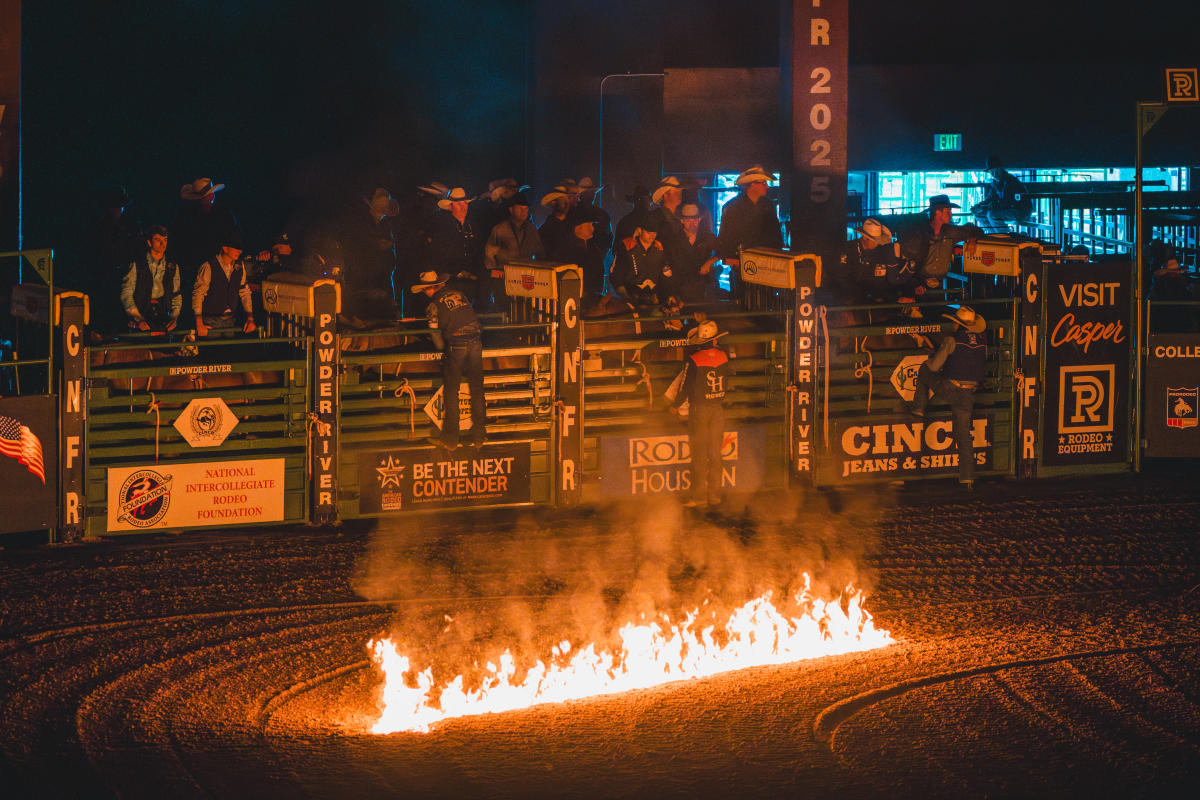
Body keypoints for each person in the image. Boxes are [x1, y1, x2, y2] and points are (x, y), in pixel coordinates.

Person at [901, 306, 987, 489]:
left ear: (957, 324)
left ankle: (918, 409)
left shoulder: (951, 340)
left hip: (951, 388)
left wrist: (932, 358)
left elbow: (933, 367)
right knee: (963, 435)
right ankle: (967, 479)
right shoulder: (981, 341)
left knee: (924, 370)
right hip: (968, 394)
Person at [412, 270, 486, 450]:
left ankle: (451, 439)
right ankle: (479, 436)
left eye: (424, 290)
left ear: (431, 288)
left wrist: (440, 349)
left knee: (451, 392)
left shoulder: (433, 306)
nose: (424, 293)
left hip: (457, 347)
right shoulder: (460, 295)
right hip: (476, 342)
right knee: (477, 389)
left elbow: (436, 336)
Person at [666, 319, 733, 508]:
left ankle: (699, 497)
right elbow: (727, 380)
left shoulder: (694, 360)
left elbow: (685, 385)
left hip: (700, 410)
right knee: (715, 454)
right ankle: (715, 496)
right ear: (714, 340)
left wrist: (675, 405)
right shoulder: (723, 356)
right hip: (717, 409)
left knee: (699, 454)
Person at [716, 166, 783, 299]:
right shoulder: (732, 208)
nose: (767, 187)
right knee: (744, 299)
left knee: (766, 298)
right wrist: (733, 260)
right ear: (752, 185)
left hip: (766, 265)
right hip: (743, 265)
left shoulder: (768, 205)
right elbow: (726, 238)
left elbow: (775, 233)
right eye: (763, 183)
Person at [899, 195, 984, 290]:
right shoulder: (920, 233)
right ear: (938, 212)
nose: (951, 214)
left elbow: (976, 230)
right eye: (948, 211)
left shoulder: (950, 232)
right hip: (918, 283)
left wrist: (972, 239)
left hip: (940, 283)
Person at [341, 187, 400, 320]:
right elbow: (355, 244)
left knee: (381, 303)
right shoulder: (361, 223)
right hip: (364, 271)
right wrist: (377, 244)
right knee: (366, 303)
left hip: (382, 271)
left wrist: (388, 246)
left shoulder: (385, 224)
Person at [172, 177, 238, 294]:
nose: (211, 196)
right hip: (194, 266)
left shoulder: (223, 213)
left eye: (211, 194)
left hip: (218, 264)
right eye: (208, 195)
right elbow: (182, 240)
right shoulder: (188, 215)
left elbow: (232, 237)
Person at [839, 218, 921, 307]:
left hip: (872, 298)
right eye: (874, 240)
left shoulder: (880, 252)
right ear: (865, 237)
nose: (877, 243)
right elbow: (843, 278)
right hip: (851, 299)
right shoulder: (847, 250)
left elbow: (879, 281)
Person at [483, 190, 545, 307]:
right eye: (520, 208)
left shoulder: (531, 230)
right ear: (511, 209)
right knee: (504, 308)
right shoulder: (499, 229)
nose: (524, 212)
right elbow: (488, 256)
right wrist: (496, 276)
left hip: (526, 282)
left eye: (526, 209)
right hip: (504, 282)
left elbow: (540, 253)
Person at [191, 228, 256, 337]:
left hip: (230, 320)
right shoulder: (208, 266)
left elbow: (245, 292)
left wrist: (250, 318)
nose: (239, 251)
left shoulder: (240, 266)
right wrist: (199, 323)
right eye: (236, 248)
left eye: (240, 248)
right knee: (212, 351)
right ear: (225, 248)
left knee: (228, 351)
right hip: (210, 320)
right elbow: (198, 294)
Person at [121, 225, 181, 332]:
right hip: (140, 317)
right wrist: (138, 318)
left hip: (162, 318)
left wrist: (173, 317)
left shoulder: (172, 266)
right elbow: (126, 293)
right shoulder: (137, 264)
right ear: (149, 242)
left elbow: (176, 294)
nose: (162, 244)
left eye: (165, 240)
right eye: (158, 239)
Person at [428, 187, 483, 302]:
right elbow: (439, 255)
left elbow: (477, 251)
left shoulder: (472, 226)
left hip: (471, 281)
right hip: (451, 281)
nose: (463, 207)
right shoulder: (443, 227)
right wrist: (458, 271)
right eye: (459, 204)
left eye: (465, 203)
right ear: (451, 206)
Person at [611, 214, 674, 305]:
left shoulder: (659, 248)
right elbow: (615, 274)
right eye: (648, 232)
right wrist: (625, 296)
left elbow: (666, 275)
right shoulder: (628, 246)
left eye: (654, 232)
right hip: (630, 299)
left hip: (653, 299)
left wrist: (668, 295)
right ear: (640, 231)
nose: (652, 235)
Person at [552, 208, 606, 295]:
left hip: (593, 296)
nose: (592, 228)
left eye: (592, 225)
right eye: (588, 225)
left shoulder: (592, 247)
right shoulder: (566, 250)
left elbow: (599, 271)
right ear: (578, 228)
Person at [971, 156, 1032, 231]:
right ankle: (994, 235)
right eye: (992, 171)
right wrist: (979, 206)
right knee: (978, 213)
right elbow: (990, 199)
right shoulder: (995, 183)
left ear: (1002, 169)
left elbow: (1007, 202)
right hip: (1009, 209)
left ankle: (1005, 238)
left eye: (996, 170)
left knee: (992, 215)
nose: (994, 173)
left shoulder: (1010, 182)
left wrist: (986, 207)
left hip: (1019, 211)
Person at [672, 204, 719, 303]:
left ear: (700, 220)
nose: (692, 223)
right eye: (689, 220)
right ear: (682, 220)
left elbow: (723, 251)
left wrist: (709, 262)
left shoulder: (707, 237)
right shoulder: (675, 238)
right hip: (680, 288)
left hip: (702, 287)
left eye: (695, 220)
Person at [537, 185, 574, 260]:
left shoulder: (572, 225)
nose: (567, 204)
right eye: (563, 201)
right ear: (553, 203)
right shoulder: (546, 229)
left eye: (567, 200)